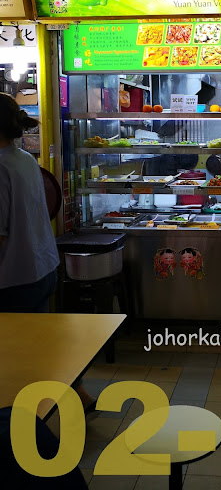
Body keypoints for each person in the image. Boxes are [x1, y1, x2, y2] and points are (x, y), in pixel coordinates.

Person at [0, 93, 96, 413]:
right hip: (42, 267)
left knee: (19, 355)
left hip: (14, 277)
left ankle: (30, 422)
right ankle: (77, 392)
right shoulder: (26, 160)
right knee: (42, 344)